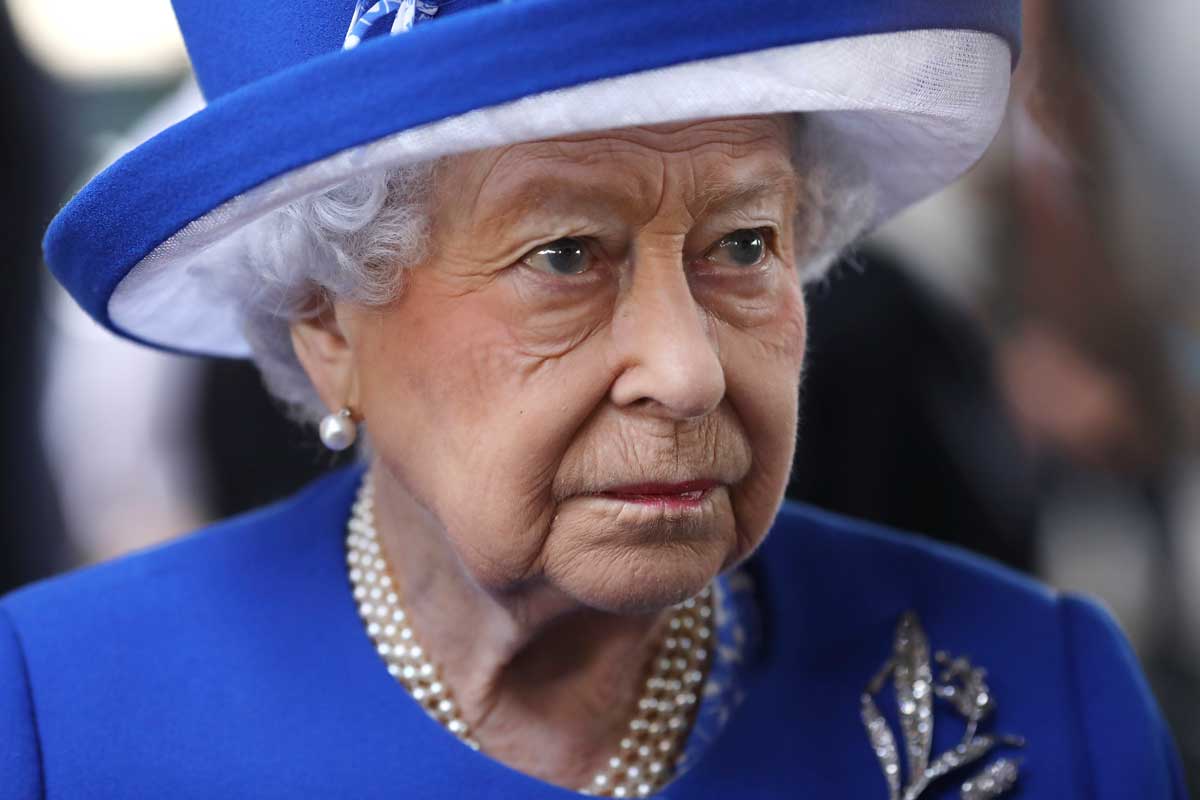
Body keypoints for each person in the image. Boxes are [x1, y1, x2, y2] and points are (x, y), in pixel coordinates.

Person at [0, 2, 1186, 798]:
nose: (689, 370)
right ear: (325, 319)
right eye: (567, 255)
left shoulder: (1050, 696)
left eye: (742, 242)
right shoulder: (60, 717)